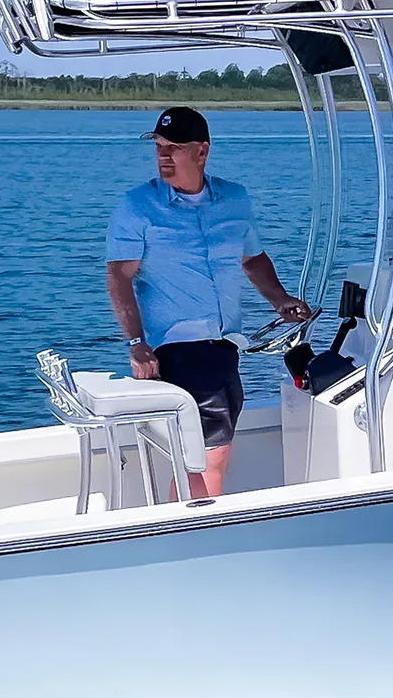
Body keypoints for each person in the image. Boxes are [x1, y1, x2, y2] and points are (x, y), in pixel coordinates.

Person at [105, 105, 314, 498]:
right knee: (207, 457)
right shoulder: (137, 207)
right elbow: (119, 276)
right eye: (159, 147)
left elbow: (251, 258)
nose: (164, 156)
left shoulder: (235, 200)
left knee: (205, 455)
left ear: (202, 152)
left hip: (224, 347)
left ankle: (182, 530)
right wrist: (136, 344)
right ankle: (197, 536)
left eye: (175, 148)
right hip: (178, 349)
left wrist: (280, 299)